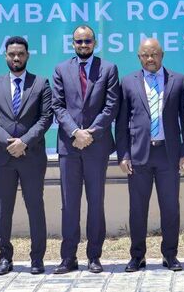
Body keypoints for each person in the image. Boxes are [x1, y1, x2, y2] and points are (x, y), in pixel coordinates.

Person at [115, 38, 184, 272]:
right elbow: (121, 123)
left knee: (170, 208)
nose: (150, 59)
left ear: (162, 55)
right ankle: (137, 256)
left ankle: (170, 255)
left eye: (154, 54)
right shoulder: (128, 82)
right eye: (145, 55)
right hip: (139, 156)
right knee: (137, 209)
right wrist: (123, 154)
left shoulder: (178, 80)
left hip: (168, 154)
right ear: (139, 57)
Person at [51, 25, 119, 274]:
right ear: (73, 44)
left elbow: (111, 106)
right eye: (78, 41)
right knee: (69, 204)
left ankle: (94, 256)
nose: (83, 45)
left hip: (96, 146)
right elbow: (57, 106)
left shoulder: (108, 69)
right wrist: (75, 132)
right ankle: (68, 257)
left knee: (95, 202)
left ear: (95, 42)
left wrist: (90, 133)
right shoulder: (61, 69)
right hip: (69, 146)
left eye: (87, 41)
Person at [0, 36, 53, 275]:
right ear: (5, 56)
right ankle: (5, 258)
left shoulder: (41, 83)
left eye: (20, 54)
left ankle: (37, 259)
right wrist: (7, 142)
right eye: (12, 54)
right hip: (3, 157)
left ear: (27, 55)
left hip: (31, 156)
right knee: (3, 209)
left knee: (35, 207)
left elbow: (46, 118)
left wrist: (24, 142)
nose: (16, 58)